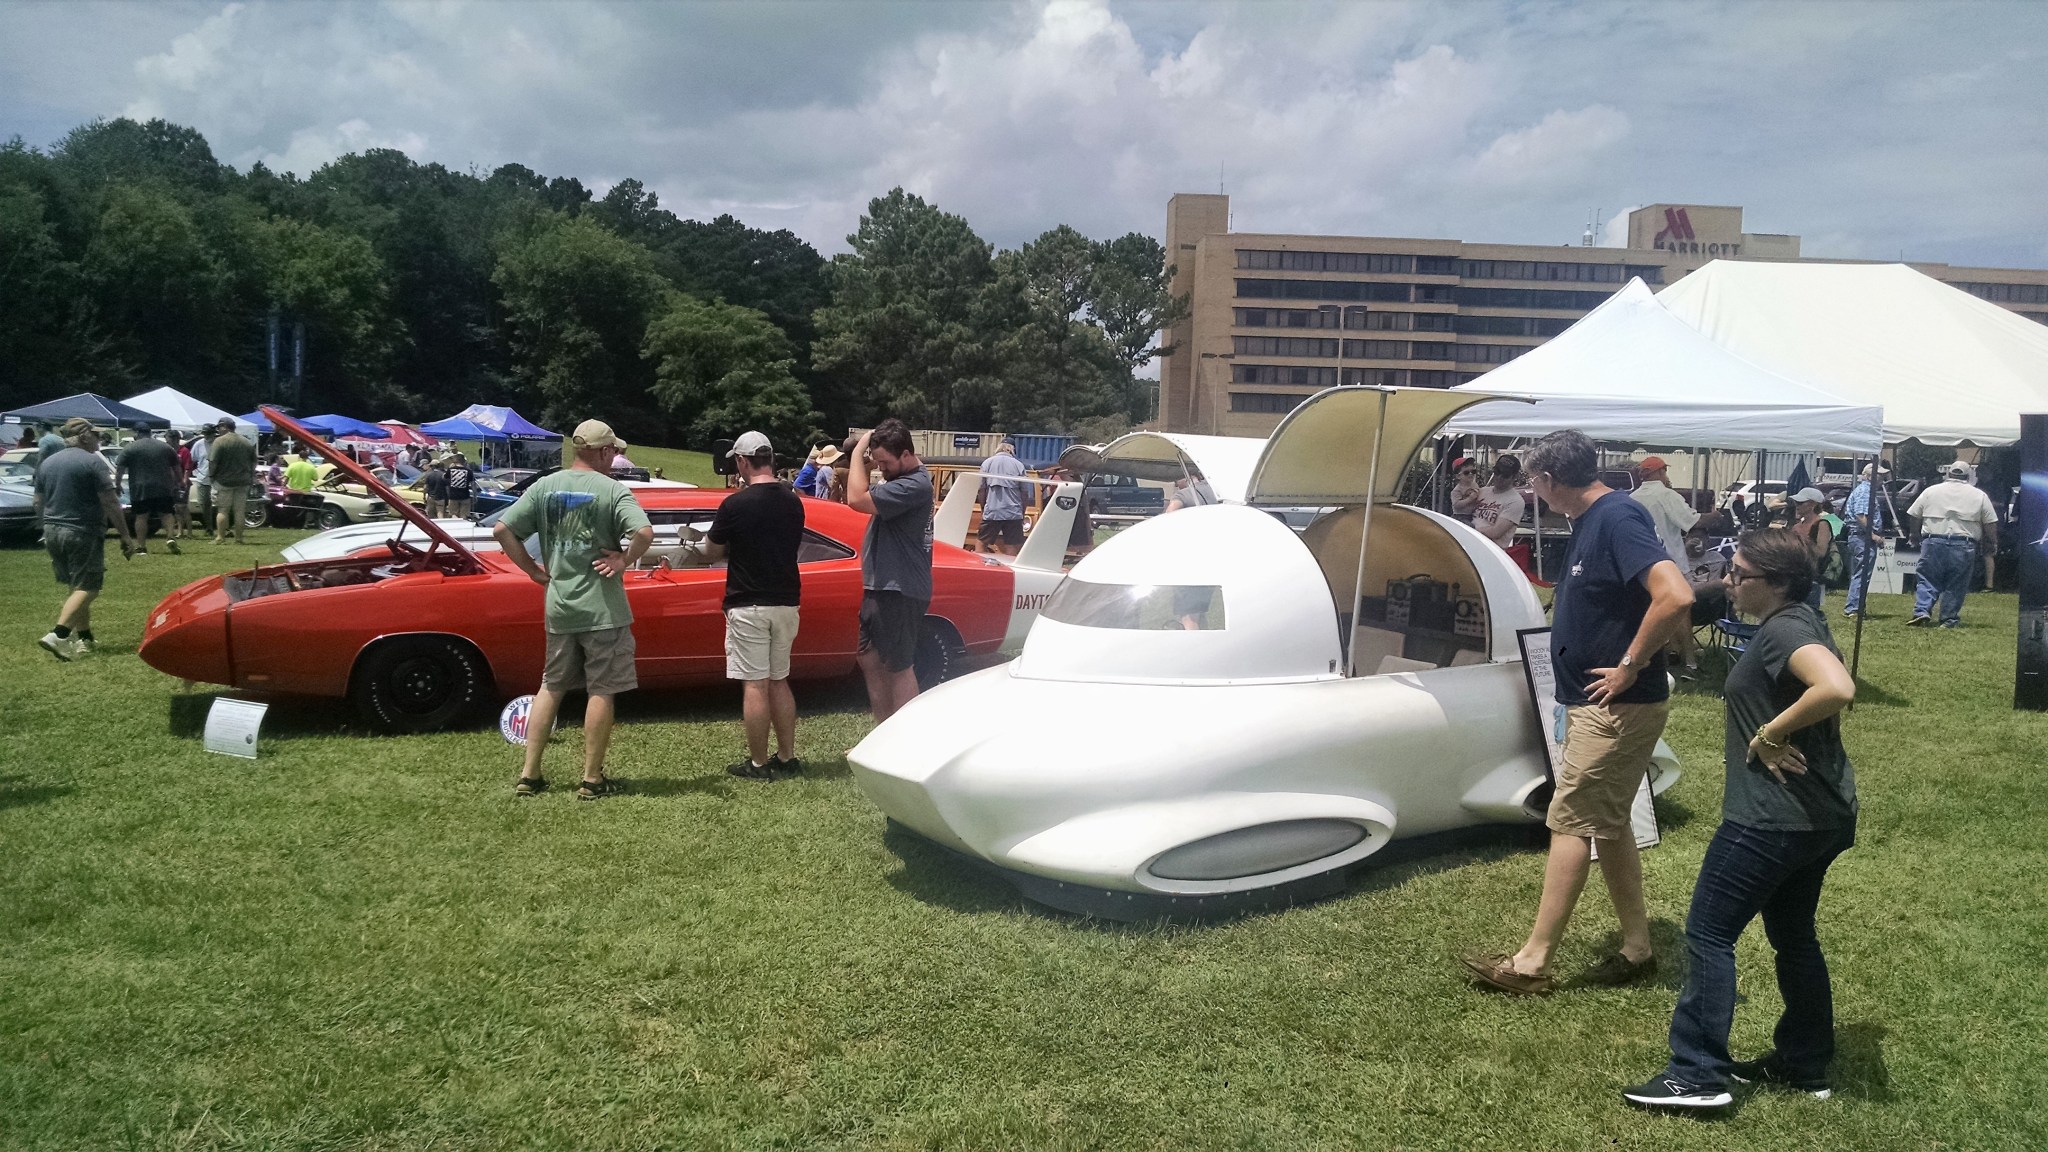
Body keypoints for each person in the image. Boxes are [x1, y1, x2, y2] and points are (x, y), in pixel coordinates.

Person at [1622, 528, 1858, 1111]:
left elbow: (1836, 687)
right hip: (1820, 817)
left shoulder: (1786, 629)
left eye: (1740, 574)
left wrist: (1771, 731)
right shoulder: (1799, 618)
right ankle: (1804, 1064)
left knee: (1708, 933)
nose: (1728, 582)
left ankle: (1696, 1075)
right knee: (1793, 935)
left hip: (1771, 820)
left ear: (1776, 582)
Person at [1462, 429, 1693, 996]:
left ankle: (1532, 962)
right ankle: (1637, 949)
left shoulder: (1616, 518)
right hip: (1595, 705)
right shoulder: (1598, 518)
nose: (1534, 495)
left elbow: (1676, 595)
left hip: (1616, 706)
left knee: (1569, 821)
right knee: (1608, 823)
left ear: (1546, 480)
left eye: (1534, 486)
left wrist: (1631, 664)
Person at [495, 419, 653, 800]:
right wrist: (623, 559)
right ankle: (591, 778)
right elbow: (644, 533)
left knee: (551, 686)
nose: (615, 456)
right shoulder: (613, 490)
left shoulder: (544, 486)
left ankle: (530, 774)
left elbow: (502, 530)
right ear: (601, 452)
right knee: (601, 689)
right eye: (613, 450)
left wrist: (534, 571)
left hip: (559, 606)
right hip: (603, 609)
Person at [677, 431, 806, 780]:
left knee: (754, 684)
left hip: (749, 601)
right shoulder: (793, 500)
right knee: (779, 679)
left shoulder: (735, 504)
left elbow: (712, 552)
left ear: (743, 462)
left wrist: (691, 545)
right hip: (786, 600)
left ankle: (759, 763)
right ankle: (788, 757)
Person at [848, 419, 933, 722]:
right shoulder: (899, 478)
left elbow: (856, 499)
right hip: (882, 585)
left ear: (907, 454)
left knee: (898, 666)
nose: (880, 467)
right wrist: (870, 460)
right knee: (870, 659)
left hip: (900, 588)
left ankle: (904, 741)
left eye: (885, 462)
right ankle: (882, 735)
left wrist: (859, 451)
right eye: (877, 461)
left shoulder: (915, 484)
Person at [33, 419, 138, 660]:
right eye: (95, 434)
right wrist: (124, 535)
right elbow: (110, 502)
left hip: (52, 530)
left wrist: (45, 526)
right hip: (82, 531)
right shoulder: (92, 462)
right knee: (89, 586)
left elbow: (37, 501)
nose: (98, 439)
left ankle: (85, 639)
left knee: (75, 586)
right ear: (82, 436)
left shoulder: (48, 462)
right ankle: (58, 635)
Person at [1905, 462, 1998, 628]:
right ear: (1969, 476)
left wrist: (1914, 533)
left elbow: (1914, 514)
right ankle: (1948, 619)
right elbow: (1990, 522)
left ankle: (1922, 611)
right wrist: (1991, 542)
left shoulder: (1931, 491)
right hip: (1963, 544)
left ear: (1948, 474)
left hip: (1933, 540)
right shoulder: (1979, 495)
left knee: (1927, 578)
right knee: (1956, 582)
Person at [1632, 455, 1703, 671]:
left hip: (1643, 564)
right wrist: (1716, 516)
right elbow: (1690, 521)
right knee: (1681, 612)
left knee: (1654, 611)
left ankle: (1669, 651)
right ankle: (1690, 661)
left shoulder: (1632, 498)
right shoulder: (1666, 495)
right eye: (1665, 471)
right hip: (1671, 563)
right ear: (1660, 472)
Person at [116, 424, 183, 555]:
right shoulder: (165, 447)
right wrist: (180, 481)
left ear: (137, 433)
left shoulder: (130, 448)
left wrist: (117, 484)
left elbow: (120, 469)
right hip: (163, 486)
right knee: (167, 513)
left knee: (141, 516)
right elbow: (176, 466)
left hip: (140, 487)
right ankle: (170, 536)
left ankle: (141, 547)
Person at [1841, 464, 1888, 618]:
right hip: (1862, 537)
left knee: (1860, 573)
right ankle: (1854, 608)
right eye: (1879, 475)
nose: (1882, 479)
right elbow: (1860, 516)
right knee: (1861, 573)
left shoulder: (1866, 491)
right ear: (1869, 476)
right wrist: (1873, 535)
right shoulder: (1865, 491)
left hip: (1859, 536)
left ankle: (1857, 607)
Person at [207, 418, 257, 545]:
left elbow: (213, 462)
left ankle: (220, 538)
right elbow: (254, 462)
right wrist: (250, 475)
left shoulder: (219, 441)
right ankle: (239, 539)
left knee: (223, 510)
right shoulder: (246, 441)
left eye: (219, 427)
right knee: (239, 511)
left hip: (224, 481)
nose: (218, 430)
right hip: (243, 481)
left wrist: (211, 476)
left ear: (224, 426)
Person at [1786, 488, 1836, 614]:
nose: (1797, 506)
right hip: (1794, 577)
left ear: (1813, 504)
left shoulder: (1822, 524)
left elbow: (1821, 552)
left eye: (1801, 503)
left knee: (1810, 615)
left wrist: (1802, 540)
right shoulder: (1796, 526)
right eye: (1796, 502)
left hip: (1811, 580)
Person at [976, 441, 1030, 556]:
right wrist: (1022, 511)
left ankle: (979, 567)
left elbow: (981, 489)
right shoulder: (1018, 465)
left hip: (992, 510)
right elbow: (1024, 492)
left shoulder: (987, 463)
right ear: (1012, 450)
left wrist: (983, 508)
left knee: (982, 541)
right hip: (1013, 512)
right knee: (1012, 545)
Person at [1468, 455, 1526, 551]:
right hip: (1470, 544)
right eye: (1497, 472)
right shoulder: (1482, 491)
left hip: (1491, 551)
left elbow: (1496, 532)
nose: (1499, 477)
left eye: (1505, 475)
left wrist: (1470, 529)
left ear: (1514, 477)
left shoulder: (1516, 501)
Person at [443, 451, 477, 519]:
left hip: (453, 496)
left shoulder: (450, 470)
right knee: (464, 515)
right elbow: (473, 485)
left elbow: (444, 479)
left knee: (453, 514)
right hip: (465, 497)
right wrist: (475, 496)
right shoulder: (469, 471)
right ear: (464, 461)